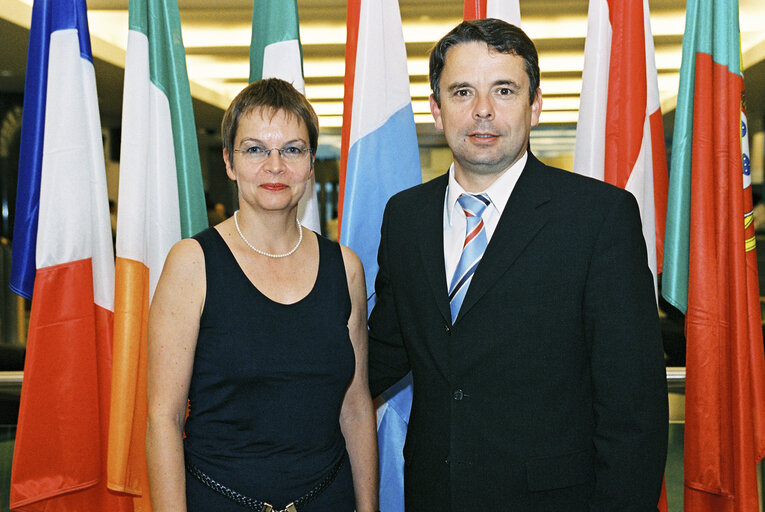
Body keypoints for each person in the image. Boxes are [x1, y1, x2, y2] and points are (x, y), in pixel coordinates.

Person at [367, 19, 668, 511]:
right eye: (462, 91)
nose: (483, 110)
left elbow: (633, 411)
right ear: (437, 110)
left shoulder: (598, 218)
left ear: (536, 105)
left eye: (504, 90)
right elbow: (382, 352)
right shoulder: (405, 216)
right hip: (433, 496)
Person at [146, 78, 378, 512]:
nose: (275, 166)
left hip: (329, 499)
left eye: (292, 149)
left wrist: (368, 508)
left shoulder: (345, 268)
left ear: (311, 163)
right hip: (217, 501)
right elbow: (163, 419)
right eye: (255, 149)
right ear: (229, 163)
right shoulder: (191, 264)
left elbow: (356, 407)